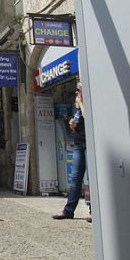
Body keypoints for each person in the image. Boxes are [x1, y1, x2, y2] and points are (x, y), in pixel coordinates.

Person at [53, 81, 91, 222]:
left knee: (91, 178)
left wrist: (81, 104)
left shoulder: (88, 105)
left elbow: (90, 119)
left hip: (89, 144)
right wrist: (73, 125)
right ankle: (68, 210)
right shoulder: (77, 108)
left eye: (78, 90)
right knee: (75, 178)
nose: (76, 93)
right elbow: (78, 124)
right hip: (78, 144)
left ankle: (93, 211)